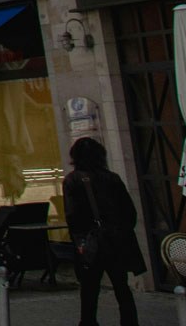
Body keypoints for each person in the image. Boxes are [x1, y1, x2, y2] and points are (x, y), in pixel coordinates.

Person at [64, 137, 143, 326]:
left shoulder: (73, 180)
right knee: (121, 286)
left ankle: (89, 322)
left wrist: (80, 240)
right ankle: (130, 322)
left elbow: (72, 215)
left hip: (91, 241)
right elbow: (129, 212)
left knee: (90, 288)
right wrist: (119, 230)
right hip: (116, 239)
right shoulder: (112, 178)